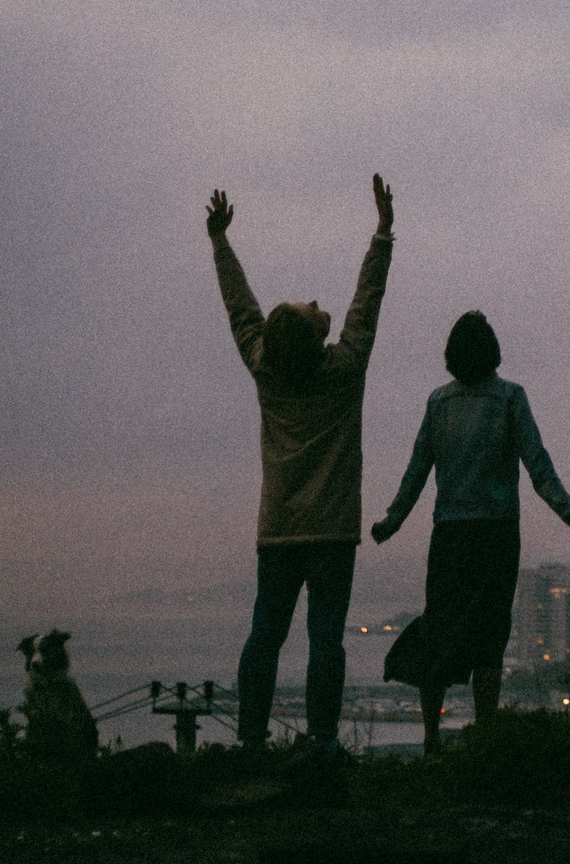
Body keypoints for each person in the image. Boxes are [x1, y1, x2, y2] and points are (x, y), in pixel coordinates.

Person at [208, 174, 393, 752]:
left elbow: (242, 312)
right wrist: (382, 235)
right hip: (333, 531)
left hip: (280, 530)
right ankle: (320, 742)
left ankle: (251, 740)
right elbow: (366, 305)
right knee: (326, 642)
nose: (317, 303)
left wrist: (220, 243)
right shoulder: (344, 372)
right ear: (316, 337)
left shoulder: (266, 369)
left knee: (264, 637)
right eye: (310, 309)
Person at [372, 310, 570, 752]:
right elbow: (538, 464)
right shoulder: (510, 398)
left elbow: (416, 472)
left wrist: (391, 522)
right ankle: (487, 737)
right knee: (490, 637)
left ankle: (431, 738)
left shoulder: (438, 403)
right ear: (494, 352)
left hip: (450, 537)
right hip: (496, 536)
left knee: (439, 632)